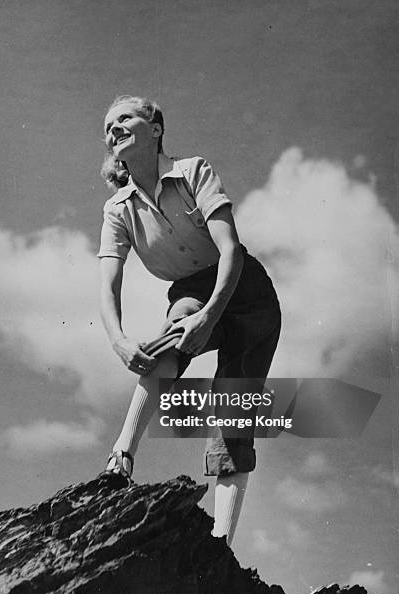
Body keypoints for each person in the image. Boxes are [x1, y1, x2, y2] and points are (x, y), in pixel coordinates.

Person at [97, 95, 281, 545]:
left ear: (155, 129)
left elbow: (231, 251)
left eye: (125, 119)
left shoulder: (193, 170)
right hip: (191, 290)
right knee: (172, 332)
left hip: (247, 293)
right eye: (107, 126)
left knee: (231, 412)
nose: (113, 129)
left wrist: (212, 316)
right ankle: (120, 459)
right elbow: (108, 285)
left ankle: (221, 542)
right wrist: (119, 339)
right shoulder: (118, 210)